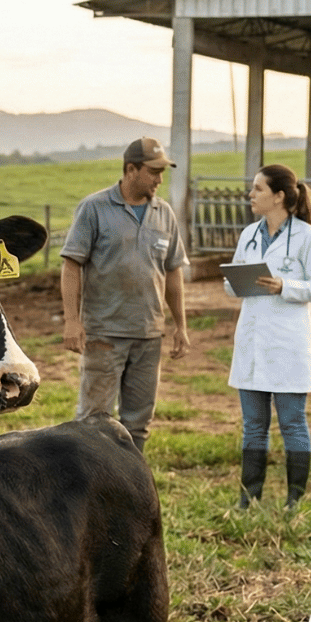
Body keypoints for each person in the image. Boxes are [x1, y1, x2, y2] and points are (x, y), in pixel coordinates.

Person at [60, 137, 190, 453]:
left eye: (162, 172)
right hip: (105, 333)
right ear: (131, 169)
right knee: (94, 420)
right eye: (153, 171)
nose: (160, 179)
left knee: (138, 423)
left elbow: (173, 273)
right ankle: (90, 487)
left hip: (148, 334)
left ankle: (130, 485)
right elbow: (72, 265)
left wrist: (180, 326)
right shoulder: (95, 208)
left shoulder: (164, 214)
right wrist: (72, 322)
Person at [224, 163, 311, 513]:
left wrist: (286, 286)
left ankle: (294, 502)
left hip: (288, 343)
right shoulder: (249, 235)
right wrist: (234, 281)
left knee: (291, 422)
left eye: (257, 189)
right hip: (253, 340)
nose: (251, 195)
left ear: (279, 196)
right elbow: (232, 282)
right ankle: (248, 500)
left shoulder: (308, 237)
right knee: (253, 426)